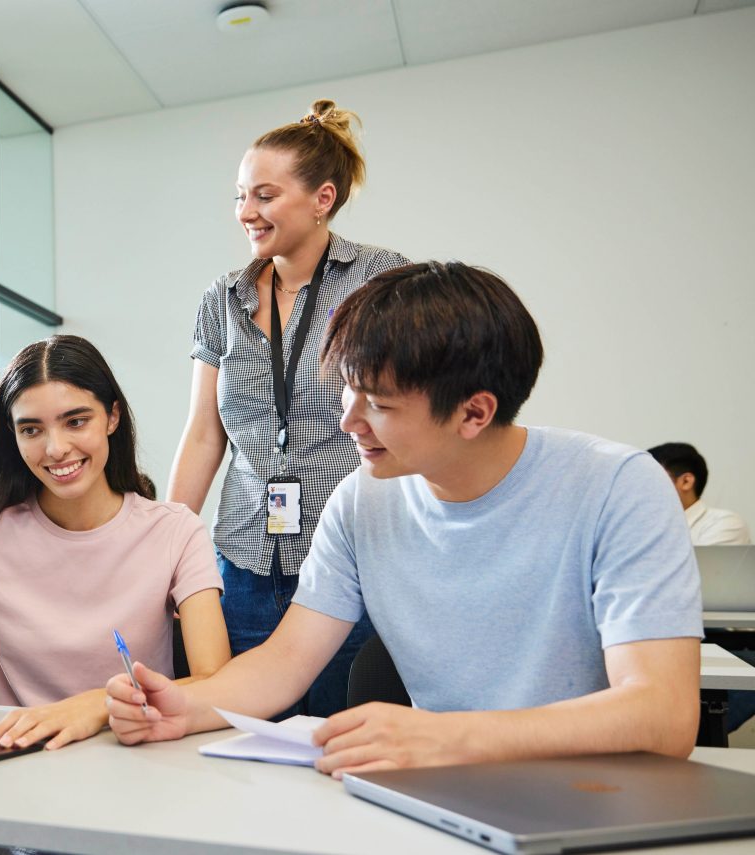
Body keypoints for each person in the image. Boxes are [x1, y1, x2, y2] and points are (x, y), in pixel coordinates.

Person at [108, 262, 703, 778]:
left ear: (475, 412)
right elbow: (285, 661)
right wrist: (186, 709)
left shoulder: (617, 486)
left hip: (595, 797)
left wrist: (444, 736)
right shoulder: (363, 500)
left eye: (381, 405)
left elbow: (663, 715)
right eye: (347, 392)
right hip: (441, 789)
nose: (350, 422)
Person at [0, 335, 231, 754]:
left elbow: (216, 683)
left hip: (137, 758)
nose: (56, 448)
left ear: (112, 417)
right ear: (13, 434)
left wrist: (97, 705)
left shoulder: (176, 531)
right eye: (32, 429)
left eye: (76, 421)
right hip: (14, 759)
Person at [168, 98, 408, 719]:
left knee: (339, 749)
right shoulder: (224, 297)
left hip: (352, 561)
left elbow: (407, 420)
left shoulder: (383, 280)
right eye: (240, 196)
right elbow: (203, 434)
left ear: (322, 198)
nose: (246, 212)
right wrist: (164, 547)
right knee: (238, 740)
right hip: (242, 561)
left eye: (265, 196)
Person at [646, 443, 751, 546]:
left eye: (650, 479)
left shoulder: (725, 524)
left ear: (686, 482)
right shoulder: (644, 526)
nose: (641, 488)